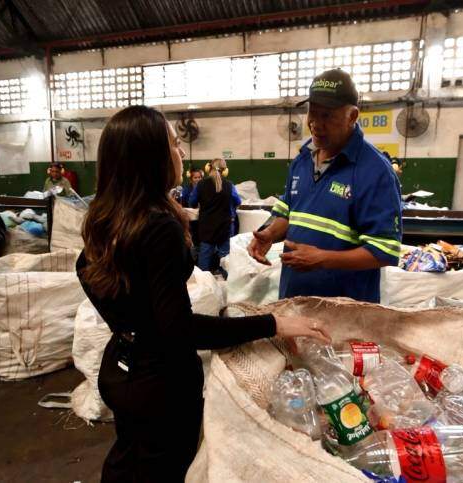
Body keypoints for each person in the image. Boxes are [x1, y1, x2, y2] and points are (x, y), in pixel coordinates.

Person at [76, 105, 329, 482]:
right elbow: (179, 330)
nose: (180, 152)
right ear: (151, 156)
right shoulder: (158, 226)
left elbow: (84, 268)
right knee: (161, 470)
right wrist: (273, 323)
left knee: (128, 460)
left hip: (120, 368)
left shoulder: (107, 217)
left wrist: (129, 320)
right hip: (160, 384)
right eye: (173, 143)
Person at [248, 68, 402, 303]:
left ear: (352, 116)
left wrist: (323, 259)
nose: (315, 123)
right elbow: (288, 212)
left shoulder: (375, 171)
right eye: (313, 112)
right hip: (294, 302)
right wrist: (269, 234)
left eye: (327, 115)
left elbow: (385, 251)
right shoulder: (302, 159)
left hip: (345, 311)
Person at [189, 158, 241, 274]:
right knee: (225, 259)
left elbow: (192, 202)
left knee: (204, 257)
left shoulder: (200, 184)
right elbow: (238, 201)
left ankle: (203, 283)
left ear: (208, 168)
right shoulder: (229, 185)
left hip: (206, 227)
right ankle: (228, 281)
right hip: (225, 227)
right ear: (225, 171)